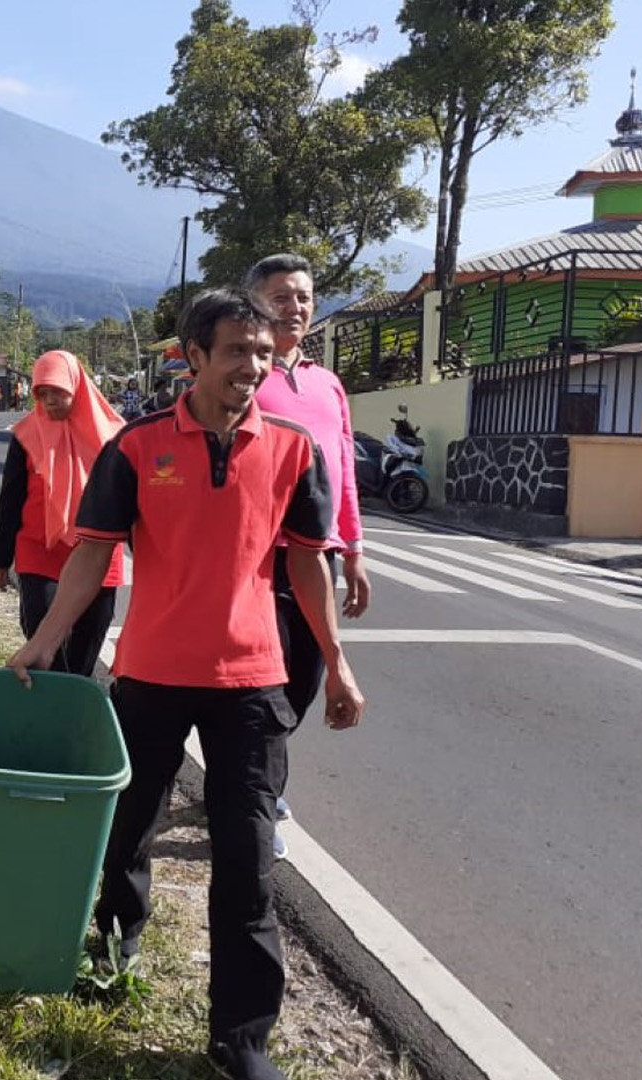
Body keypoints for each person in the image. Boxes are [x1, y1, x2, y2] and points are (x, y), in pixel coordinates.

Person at [7, 289, 364, 1080]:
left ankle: (241, 1037)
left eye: (263, 353)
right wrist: (43, 642)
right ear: (193, 356)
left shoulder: (294, 449)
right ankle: (114, 949)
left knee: (249, 860)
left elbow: (307, 561)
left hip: (252, 681)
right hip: (151, 677)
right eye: (236, 350)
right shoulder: (134, 449)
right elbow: (93, 555)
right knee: (128, 829)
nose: (253, 366)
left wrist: (336, 662)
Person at [246, 253, 371, 859]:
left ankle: (259, 777)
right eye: (280, 295)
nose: (294, 306)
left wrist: (355, 550)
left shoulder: (328, 384)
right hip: (255, 557)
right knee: (262, 686)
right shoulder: (244, 374)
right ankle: (258, 797)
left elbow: (344, 470)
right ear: (256, 303)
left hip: (315, 555)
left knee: (303, 680)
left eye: (302, 296)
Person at [0, 350, 125, 676]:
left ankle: (74, 710)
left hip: (99, 554)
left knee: (88, 644)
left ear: (76, 387)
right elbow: (10, 499)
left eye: (58, 392)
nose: (50, 401)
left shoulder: (116, 437)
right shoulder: (26, 435)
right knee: (41, 633)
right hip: (40, 549)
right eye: (42, 394)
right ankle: (48, 704)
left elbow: (130, 504)